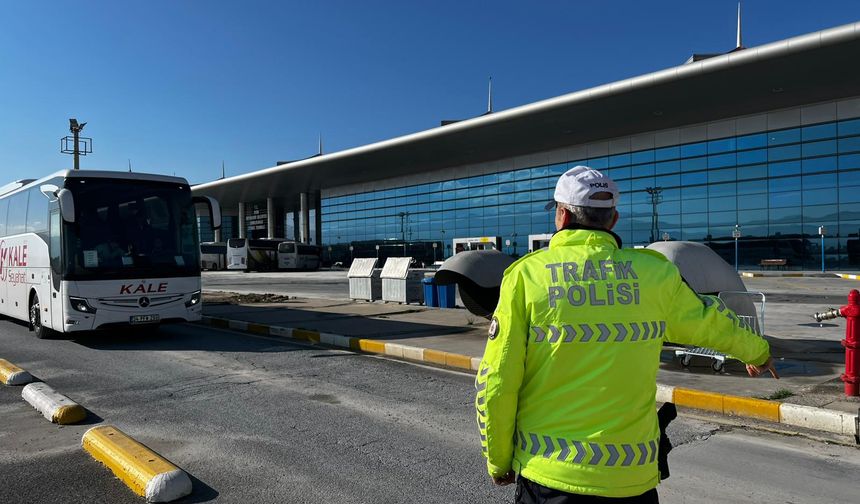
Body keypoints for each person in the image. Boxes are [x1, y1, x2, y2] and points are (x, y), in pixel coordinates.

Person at [475, 166, 777, 503]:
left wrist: (499, 460)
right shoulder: (653, 273)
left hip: (551, 478)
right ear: (613, 219)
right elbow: (710, 322)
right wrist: (757, 353)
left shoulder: (527, 277)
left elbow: (497, 382)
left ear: (561, 215)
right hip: (632, 480)